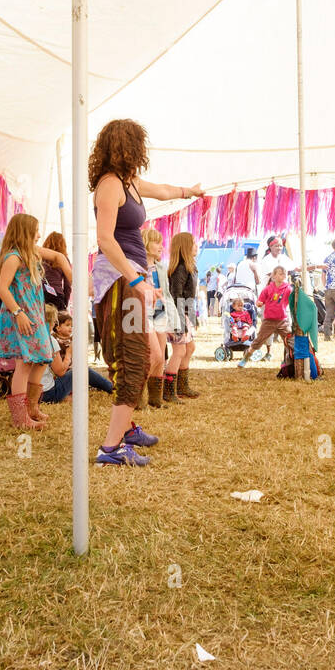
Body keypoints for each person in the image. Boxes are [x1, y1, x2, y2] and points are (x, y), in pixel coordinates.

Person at [89, 118, 201, 466]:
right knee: (134, 360)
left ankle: (127, 427)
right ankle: (111, 448)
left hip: (134, 279)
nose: (141, 152)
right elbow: (105, 239)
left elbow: (163, 190)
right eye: (137, 145)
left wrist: (188, 192)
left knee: (153, 356)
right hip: (120, 282)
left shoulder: (130, 183)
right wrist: (136, 281)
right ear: (125, 148)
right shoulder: (110, 185)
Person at [0, 212, 71, 430]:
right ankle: (21, 418)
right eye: (35, 230)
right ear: (25, 232)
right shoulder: (14, 257)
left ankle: (32, 407)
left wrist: (73, 277)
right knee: (25, 363)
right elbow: (1, 287)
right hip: (21, 315)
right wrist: (18, 313)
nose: (39, 235)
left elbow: (58, 257)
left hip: (35, 314)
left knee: (42, 358)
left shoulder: (32, 253)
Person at [39, 307, 114, 404]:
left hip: (34, 392)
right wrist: (69, 353)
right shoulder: (50, 340)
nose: (54, 324)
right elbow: (60, 372)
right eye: (54, 321)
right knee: (82, 370)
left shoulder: (33, 338)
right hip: (48, 393)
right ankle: (112, 388)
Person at [140, 229, 179, 408]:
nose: (160, 247)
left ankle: (155, 399)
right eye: (156, 242)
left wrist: (173, 319)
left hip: (160, 314)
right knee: (153, 356)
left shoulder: (161, 268)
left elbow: (168, 295)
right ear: (146, 243)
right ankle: (136, 396)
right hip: (143, 315)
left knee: (161, 358)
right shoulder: (137, 268)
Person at [164, 231, 200, 401]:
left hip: (184, 313)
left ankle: (182, 386)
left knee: (189, 348)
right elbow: (176, 295)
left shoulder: (190, 266)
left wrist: (192, 317)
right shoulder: (180, 268)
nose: (197, 246)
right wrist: (179, 321)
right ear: (185, 246)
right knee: (179, 350)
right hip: (177, 314)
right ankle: (169, 390)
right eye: (193, 243)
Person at [239, 265, 291, 367]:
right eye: (280, 273)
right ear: (274, 276)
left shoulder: (288, 289)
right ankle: (246, 357)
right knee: (258, 341)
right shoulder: (268, 289)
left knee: (289, 341)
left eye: (285, 273)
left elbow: (293, 300)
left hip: (282, 320)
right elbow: (260, 300)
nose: (283, 275)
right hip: (269, 321)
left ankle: (287, 361)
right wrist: (259, 303)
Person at [310, 238, 335, 341]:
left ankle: (327, 336)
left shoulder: (327, 258)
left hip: (328, 289)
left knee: (329, 313)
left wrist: (325, 287)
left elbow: (323, 275)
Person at [41, 231, 72, 314]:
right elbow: (67, 285)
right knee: (57, 324)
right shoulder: (63, 259)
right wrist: (65, 302)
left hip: (41, 294)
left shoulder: (40, 258)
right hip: (57, 296)